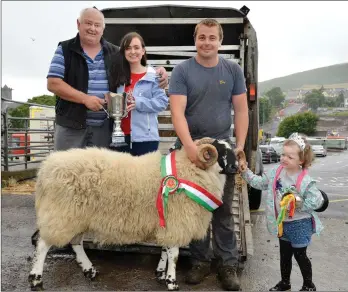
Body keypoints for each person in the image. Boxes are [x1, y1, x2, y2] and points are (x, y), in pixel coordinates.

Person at [168, 18, 249, 291]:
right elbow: (177, 112)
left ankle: (228, 264)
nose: (206, 42)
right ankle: (200, 261)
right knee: (195, 207)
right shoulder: (182, 71)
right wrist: (189, 147)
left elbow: (240, 110)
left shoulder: (233, 70)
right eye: (202, 37)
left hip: (223, 148)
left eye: (212, 38)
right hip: (192, 147)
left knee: (223, 210)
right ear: (195, 40)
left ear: (220, 41)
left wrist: (239, 146)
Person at [47, 7, 168, 151]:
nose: (93, 28)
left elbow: (136, 63)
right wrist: (85, 99)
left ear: (103, 29)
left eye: (97, 25)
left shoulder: (115, 52)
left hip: (103, 129)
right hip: (70, 128)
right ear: (78, 24)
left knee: (100, 172)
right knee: (67, 170)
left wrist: (158, 70)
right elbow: (53, 83)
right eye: (88, 23)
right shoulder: (65, 49)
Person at [240, 133, 324, 291]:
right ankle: (285, 282)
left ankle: (309, 285)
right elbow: (260, 182)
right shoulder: (276, 173)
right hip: (282, 223)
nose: (284, 159)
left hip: (300, 224)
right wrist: (246, 173)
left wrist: (298, 202)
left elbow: (318, 200)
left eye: (290, 157)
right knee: (285, 255)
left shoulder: (304, 179)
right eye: (283, 154)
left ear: (302, 160)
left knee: (300, 255)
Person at [109, 32, 168, 155]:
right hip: (120, 137)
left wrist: (139, 103)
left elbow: (162, 102)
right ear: (124, 52)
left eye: (136, 47)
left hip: (146, 139)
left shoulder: (154, 75)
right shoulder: (118, 76)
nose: (132, 51)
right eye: (128, 48)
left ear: (143, 51)